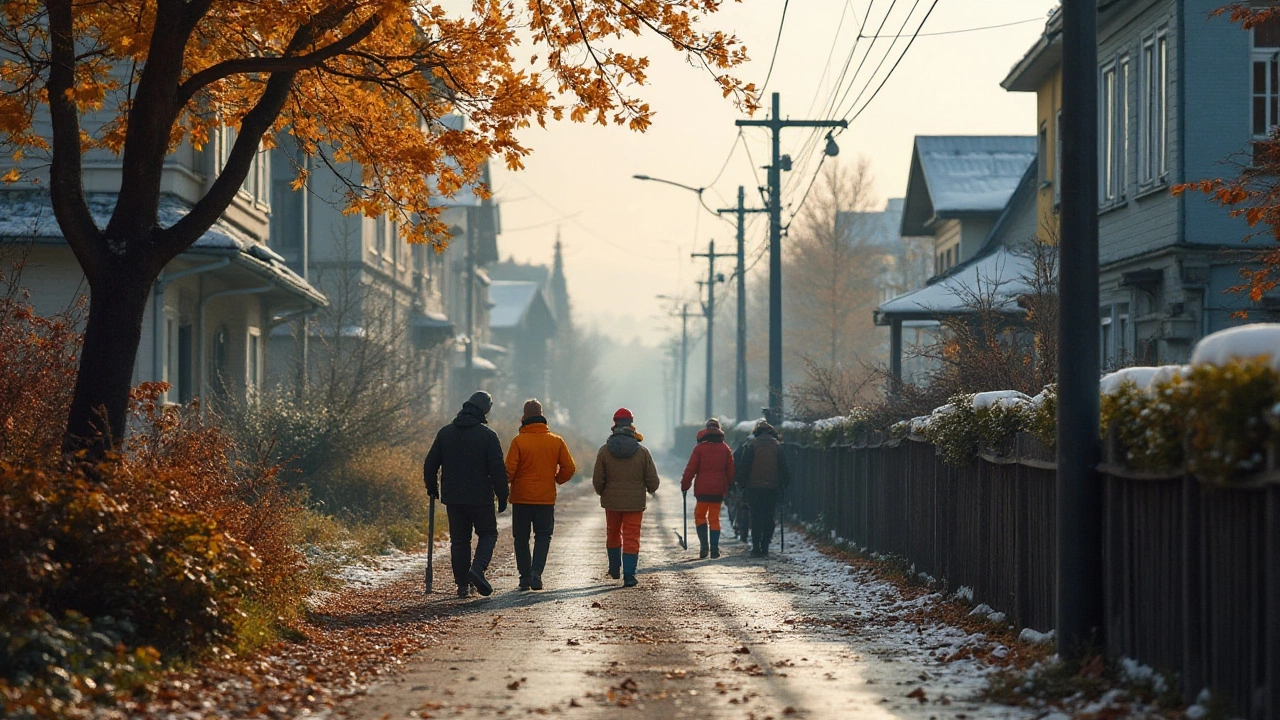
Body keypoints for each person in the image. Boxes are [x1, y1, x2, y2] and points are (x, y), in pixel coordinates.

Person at [423, 391, 509, 598]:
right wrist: (503, 495)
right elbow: (497, 469)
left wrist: (432, 487)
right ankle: (477, 570)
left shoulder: (445, 433)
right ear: (485, 410)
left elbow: (430, 464)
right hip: (480, 497)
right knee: (488, 533)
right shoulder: (488, 436)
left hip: (453, 497)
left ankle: (462, 584)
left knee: (460, 540)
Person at [505, 399, 577, 591]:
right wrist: (556, 479)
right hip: (545, 499)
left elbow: (509, 471)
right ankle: (536, 572)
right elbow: (569, 467)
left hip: (521, 499)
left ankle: (524, 577)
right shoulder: (556, 441)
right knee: (543, 536)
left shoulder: (518, 441)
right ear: (542, 415)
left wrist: (503, 485)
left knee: (521, 538)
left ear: (524, 417)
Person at [592, 408, 660, 587]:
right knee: (631, 536)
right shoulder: (642, 452)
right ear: (631, 424)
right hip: (635, 503)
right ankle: (629, 575)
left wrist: (602, 492)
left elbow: (598, 479)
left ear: (614, 424)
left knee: (613, 532)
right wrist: (652, 489)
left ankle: (614, 568)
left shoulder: (605, 451)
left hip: (612, 502)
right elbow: (652, 479)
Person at [680, 418, 734, 559]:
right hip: (718, 490)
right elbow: (731, 471)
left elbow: (691, 468)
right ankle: (715, 548)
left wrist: (685, 485)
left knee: (700, 515)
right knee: (714, 518)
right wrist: (729, 486)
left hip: (702, 490)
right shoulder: (725, 449)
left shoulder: (699, 449)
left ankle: (704, 547)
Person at [736, 420, 790, 557]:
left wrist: (741, 483)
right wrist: (784, 483)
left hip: (754, 487)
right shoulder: (777, 446)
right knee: (769, 516)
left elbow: (745, 466)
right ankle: (765, 546)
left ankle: (756, 547)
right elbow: (783, 466)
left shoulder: (751, 444)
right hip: (772, 487)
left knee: (756, 517)